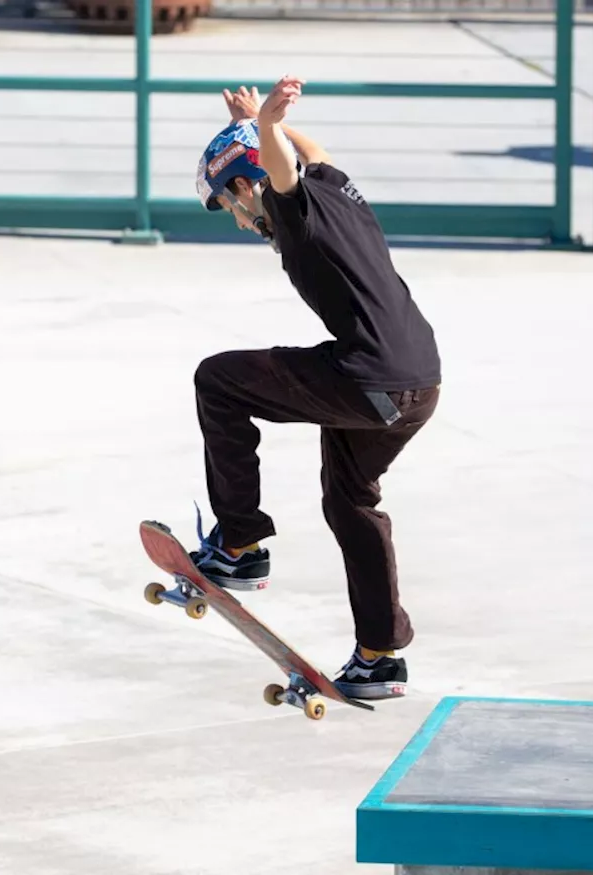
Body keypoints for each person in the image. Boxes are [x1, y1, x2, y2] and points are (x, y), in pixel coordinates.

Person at [187, 77, 442, 700]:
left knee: (218, 381)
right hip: (422, 381)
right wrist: (257, 127)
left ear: (245, 186)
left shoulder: (291, 209)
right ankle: (380, 658)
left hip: (366, 378)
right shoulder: (340, 194)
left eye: (232, 206)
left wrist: (266, 131)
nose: (243, 222)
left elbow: (282, 171)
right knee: (350, 502)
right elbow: (315, 154)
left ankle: (240, 542)